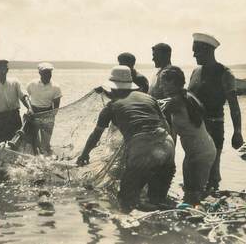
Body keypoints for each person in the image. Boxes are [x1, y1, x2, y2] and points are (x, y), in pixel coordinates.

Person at [77, 66, 175, 212]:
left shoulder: (111, 107)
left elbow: (95, 135)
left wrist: (84, 154)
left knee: (125, 199)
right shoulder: (149, 98)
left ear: (113, 88)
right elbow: (166, 126)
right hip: (167, 144)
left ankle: (127, 233)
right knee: (157, 198)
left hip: (142, 147)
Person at [188, 33, 244, 192]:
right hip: (194, 127)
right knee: (194, 166)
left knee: (212, 169)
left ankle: (212, 195)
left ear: (208, 51)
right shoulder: (195, 71)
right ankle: (195, 198)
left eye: (196, 51)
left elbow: (234, 106)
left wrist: (237, 132)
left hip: (214, 127)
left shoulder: (225, 73)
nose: (193, 55)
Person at [160, 66, 216, 205]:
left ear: (173, 82)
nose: (161, 86)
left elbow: (156, 111)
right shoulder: (187, 95)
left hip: (199, 153)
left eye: (164, 82)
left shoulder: (176, 101)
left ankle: (196, 222)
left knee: (194, 196)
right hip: (199, 150)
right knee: (190, 193)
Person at [0, 59, 33, 144]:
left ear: (7, 70)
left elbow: (24, 97)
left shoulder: (15, 82)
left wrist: (30, 108)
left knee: (17, 145)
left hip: (14, 118)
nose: (1, 71)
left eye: (3, 68)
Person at [26, 62, 62, 155]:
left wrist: (51, 117)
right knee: (32, 141)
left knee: (45, 143)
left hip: (48, 114)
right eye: (45, 73)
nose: (48, 75)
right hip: (33, 114)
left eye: (49, 73)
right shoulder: (32, 84)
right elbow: (26, 98)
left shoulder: (56, 87)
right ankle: (35, 157)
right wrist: (29, 109)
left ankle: (45, 157)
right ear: (40, 73)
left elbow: (56, 106)